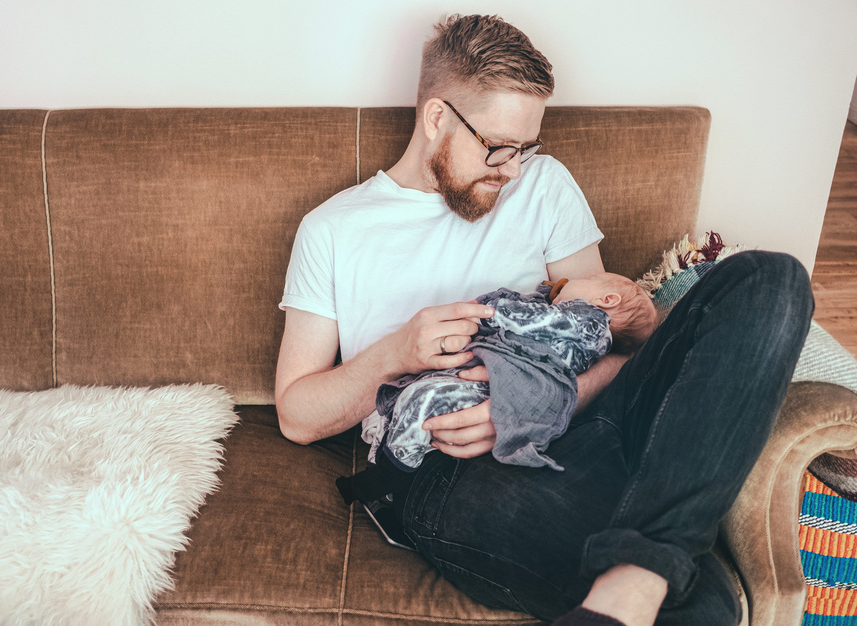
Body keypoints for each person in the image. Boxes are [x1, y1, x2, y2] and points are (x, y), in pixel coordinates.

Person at [275, 13, 813, 626]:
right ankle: (652, 563)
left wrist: (628, 330)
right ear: (436, 119)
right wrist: (396, 352)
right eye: (499, 148)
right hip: (461, 471)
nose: (512, 171)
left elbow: (605, 348)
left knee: (772, 277)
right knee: (704, 608)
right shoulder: (335, 231)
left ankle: (641, 567)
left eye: (526, 149)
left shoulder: (545, 185)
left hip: (586, 418)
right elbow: (295, 415)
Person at [337, 274, 657, 507]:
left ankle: (386, 478)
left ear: (608, 301)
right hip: (493, 388)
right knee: (419, 403)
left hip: (504, 389)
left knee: (420, 403)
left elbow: (531, 322)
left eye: (590, 278)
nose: (568, 280)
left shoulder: (591, 322)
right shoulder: (581, 323)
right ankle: (390, 472)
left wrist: (491, 311)